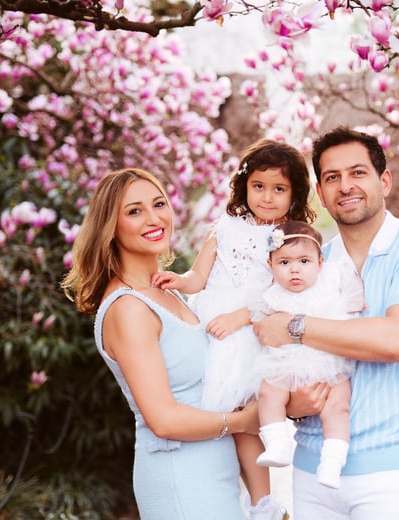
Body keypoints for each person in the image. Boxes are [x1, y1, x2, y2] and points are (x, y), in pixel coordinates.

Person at [253, 126, 399, 519]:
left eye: (358, 173)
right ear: (322, 195)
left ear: (385, 181)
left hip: (391, 475)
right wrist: (294, 404)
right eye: (332, 178)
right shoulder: (310, 264)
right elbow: (280, 362)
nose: (345, 186)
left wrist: (295, 325)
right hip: (310, 472)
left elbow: (398, 340)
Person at [61, 168, 259, 520]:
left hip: (215, 476)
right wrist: (243, 421)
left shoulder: (167, 292)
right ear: (111, 227)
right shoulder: (129, 308)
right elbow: (164, 419)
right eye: (135, 211)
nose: (154, 219)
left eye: (159, 204)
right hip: (180, 480)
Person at [151, 139, 315, 520]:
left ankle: (264, 504)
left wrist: (239, 318)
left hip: (250, 332)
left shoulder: (291, 236)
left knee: (244, 418)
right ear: (245, 187)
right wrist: (180, 280)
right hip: (211, 327)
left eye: (279, 189)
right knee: (208, 412)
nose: (268, 197)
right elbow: (199, 276)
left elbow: (285, 294)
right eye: (259, 186)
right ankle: (216, 497)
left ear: (294, 194)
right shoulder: (222, 229)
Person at [254, 220, 364, 491]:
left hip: (330, 362)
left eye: (304, 261)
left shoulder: (332, 284)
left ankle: (332, 462)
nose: (294, 269)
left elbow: (352, 314)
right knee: (268, 393)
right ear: (270, 266)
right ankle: (277, 443)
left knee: (337, 408)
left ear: (320, 262)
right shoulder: (271, 297)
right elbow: (260, 327)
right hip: (287, 363)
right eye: (284, 262)